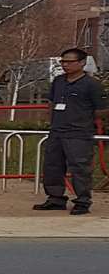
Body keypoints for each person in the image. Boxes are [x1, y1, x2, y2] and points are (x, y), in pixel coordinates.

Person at [33, 47, 106, 215]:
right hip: (57, 131)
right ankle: (55, 198)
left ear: (81, 63)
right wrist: (51, 120)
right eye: (63, 61)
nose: (65, 65)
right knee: (52, 166)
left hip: (79, 133)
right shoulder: (58, 81)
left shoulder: (92, 85)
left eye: (69, 62)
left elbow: (101, 109)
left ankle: (82, 201)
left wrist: (82, 117)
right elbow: (51, 103)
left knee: (80, 168)